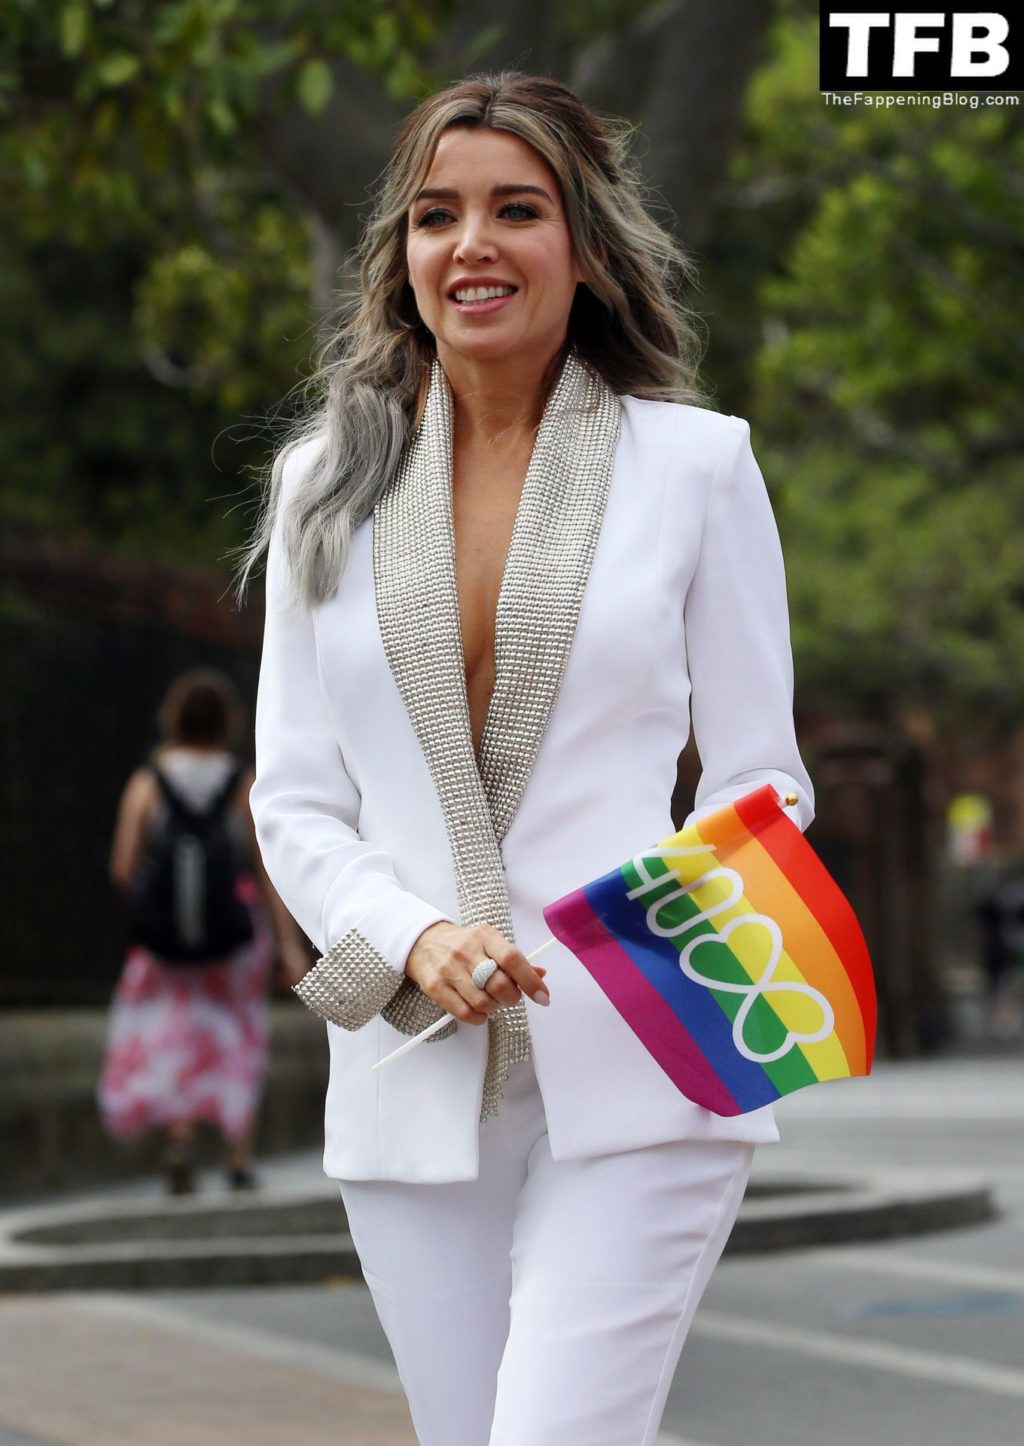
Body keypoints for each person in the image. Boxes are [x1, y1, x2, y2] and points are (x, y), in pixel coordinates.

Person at [244, 71, 814, 1445]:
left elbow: (765, 783)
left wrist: (637, 920)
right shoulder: (324, 483)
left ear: (586, 247)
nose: (472, 244)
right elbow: (297, 798)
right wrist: (416, 932)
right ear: (403, 254)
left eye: (516, 209)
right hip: (409, 1070)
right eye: (436, 215)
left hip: (652, 1052)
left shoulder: (699, 468)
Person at [98, 667, 309, 1194]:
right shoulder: (242, 783)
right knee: (237, 1032)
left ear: (173, 717)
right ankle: (238, 1152)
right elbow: (266, 869)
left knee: (176, 1032)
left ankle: (181, 1138)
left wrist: (161, 902)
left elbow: (123, 867)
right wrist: (288, 946)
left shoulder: (148, 781)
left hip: (166, 943)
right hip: (235, 937)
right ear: (226, 722)